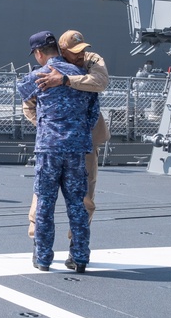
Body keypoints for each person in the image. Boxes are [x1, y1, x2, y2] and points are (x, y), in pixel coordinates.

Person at [18, 31, 99, 272]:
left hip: (49, 149)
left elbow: (23, 93)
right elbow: (93, 114)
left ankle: (43, 258)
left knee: (45, 202)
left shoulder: (38, 74)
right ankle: (80, 257)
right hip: (77, 149)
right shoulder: (82, 76)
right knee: (77, 204)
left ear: (39, 53)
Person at [26, 30, 110, 240]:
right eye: (74, 52)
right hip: (54, 143)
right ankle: (37, 238)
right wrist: (50, 128)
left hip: (86, 140)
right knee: (43, 195)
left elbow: (100, 82)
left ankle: (77, 244)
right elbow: (28, 106)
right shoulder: (47, 69)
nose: (80, 55)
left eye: (82, 50)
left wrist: (65, 80)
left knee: (84, 197)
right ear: (62, 51)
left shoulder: (92, 60)